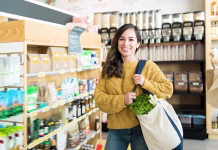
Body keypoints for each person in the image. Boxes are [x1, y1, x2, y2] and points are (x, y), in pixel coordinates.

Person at [94, 24, 173, 150]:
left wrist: (145, 83)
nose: (126, 43)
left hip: (143, 128)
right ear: (116, 42)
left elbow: (168, 90)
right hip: (116, 130)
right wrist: (122, 100)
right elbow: (99, 99)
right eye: (121, 39)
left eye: (131, 39)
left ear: (138, 44)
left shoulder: (148, 66)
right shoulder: (108, 69)